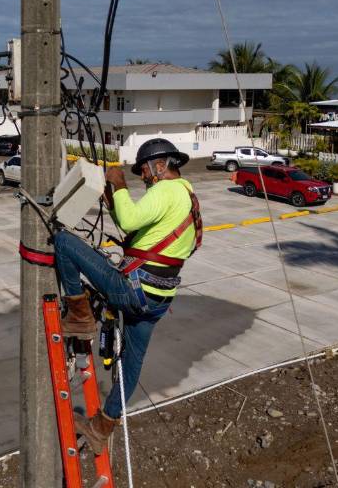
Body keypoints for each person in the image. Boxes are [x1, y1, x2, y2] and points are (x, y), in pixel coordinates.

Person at [53, 138, 202, 454]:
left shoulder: (167, 190)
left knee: (64, 242)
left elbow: (129, 221)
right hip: (159, 300)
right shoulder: (187, 195)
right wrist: (114, 197)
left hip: (136, 292)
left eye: (145, 172)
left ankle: (79, 315)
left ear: (160, 166)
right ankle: (102, 427)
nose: (144, 179)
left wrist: (118, 184)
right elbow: (148, 236)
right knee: (132, 365)